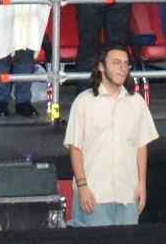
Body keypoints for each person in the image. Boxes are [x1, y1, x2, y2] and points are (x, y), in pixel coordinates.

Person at [62, 41, 157, 226]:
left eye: (126, 63)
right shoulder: (83, 102)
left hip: (127, 196)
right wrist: (82, 187)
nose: (122, 68)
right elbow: (75, 148)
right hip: (94, 196)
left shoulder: (137, 102)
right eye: (116, 63)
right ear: (101, 66)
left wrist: (142, 185)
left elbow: (141, 146)